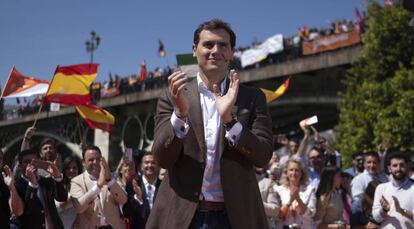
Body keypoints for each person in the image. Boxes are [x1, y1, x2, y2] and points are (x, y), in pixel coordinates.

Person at [146, 19, 273, 229]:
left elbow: (263, 156)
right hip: (182, 217)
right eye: (208, 45)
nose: (216, 51)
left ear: (232, 52)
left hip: (234, 219)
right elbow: (162, 158)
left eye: (223, 45)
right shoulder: (173, 96)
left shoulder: (252, 98)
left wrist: (230, 122)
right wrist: (179, 114)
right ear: (194, 50)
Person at [70, 145, 127, 229]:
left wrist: (109, 180)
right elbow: (79, 207)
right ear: (83, 162)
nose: (95, 162)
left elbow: (123, 199)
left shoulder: (113, 178)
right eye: (91, 160)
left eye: (98, 159)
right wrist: (98, 187)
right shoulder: (76, 181)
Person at [14, 148, 67, 229]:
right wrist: (32, 184)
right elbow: (26, 211)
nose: (31, 164)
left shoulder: (46, 181)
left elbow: (62, 197)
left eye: (34, 161)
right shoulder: (16, 186)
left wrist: (57, 176)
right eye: (27, 162)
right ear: (20, 165)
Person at [372, 151, 414, 228]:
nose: (398, 168)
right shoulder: (381, 188)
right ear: (389, 169)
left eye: (402, 165)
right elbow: (376, 218)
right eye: (395, 165)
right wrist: (384, 210)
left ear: (407, 166)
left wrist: (402, 211)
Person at [273, 159, 316, 229]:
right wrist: (290, 200)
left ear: (302, 173)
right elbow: (278, 214)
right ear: (286, 172)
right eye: (291, 170)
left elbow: (311, 214)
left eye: (297, 170)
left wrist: (298, 199)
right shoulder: (279, 190)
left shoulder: (310, 190)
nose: (294, 173)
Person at [122, 152, 161, 228]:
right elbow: (126, 212)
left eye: (153, 162)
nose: (150, 165)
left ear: (158, 166)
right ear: (141, 167)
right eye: (146, 162)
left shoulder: (163, 186)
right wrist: (137, 198)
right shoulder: (132, 185)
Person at [350, 152, 388, 227]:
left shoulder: (385, 178)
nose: (372, 165)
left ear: (379, 163)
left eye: (374, 162)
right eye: (369, 162)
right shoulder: (358, 179)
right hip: (366, 218)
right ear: (364, 164)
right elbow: (357, 203)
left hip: (383, 215)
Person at [56, 154, 82, 227]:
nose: (71, 170)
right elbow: (56, 209)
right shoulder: (60, 186)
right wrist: (71, 199)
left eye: (74, 168)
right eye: (68, 168)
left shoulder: (84, 185)